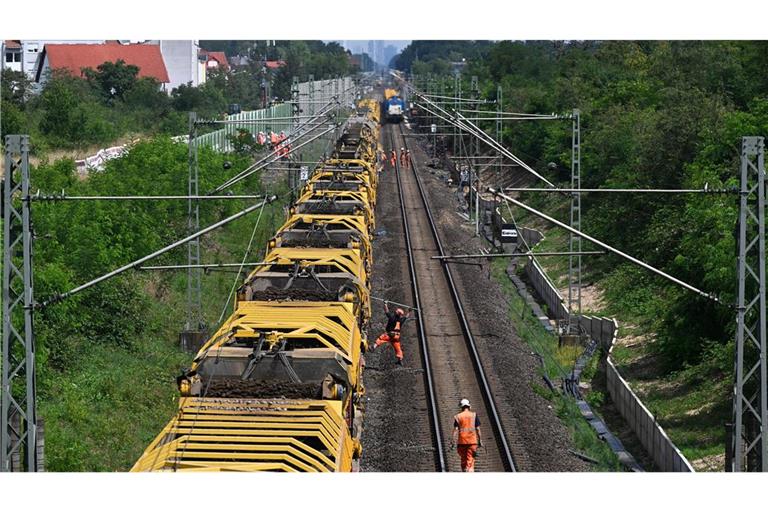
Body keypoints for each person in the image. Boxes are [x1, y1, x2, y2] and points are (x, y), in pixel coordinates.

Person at [369, 301, 411, 366]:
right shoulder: (401, 320)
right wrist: (409, 311)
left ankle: (373, 347)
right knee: (398, 348)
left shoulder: (392, 318)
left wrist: (385, 304)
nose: (395, 311)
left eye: (396, 311)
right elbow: (406, 317)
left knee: (381, 338)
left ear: (398, 313)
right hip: (397, 336)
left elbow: (387, 311)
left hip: (390, 334)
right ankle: (400, 360)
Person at [451, 398, 482, 472]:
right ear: (469, 406)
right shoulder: (474, 415)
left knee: (463, 459)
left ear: (461, 407)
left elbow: (455, 430)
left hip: (461, 442)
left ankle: (464, 470)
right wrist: (480, 440)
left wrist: (452, 441)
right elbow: (478, 429)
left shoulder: (458, 416)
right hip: (472, 442)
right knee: (470, 459)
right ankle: (469, 471)